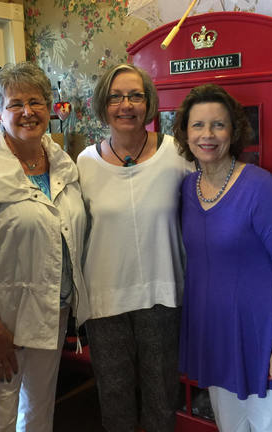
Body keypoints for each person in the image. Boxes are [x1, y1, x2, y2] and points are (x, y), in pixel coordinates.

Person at [0, 61, 90, 431]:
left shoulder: (61, 163)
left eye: (36, 101)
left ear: (49, 107)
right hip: (0, 323)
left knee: (39, 413)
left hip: (49, 312)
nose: (28, 111)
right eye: (16, 104)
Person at [172, 84, 272, 432]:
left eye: (218, 125)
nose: (207, 135)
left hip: (264, 335)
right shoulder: (187, 189)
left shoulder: (260, 186)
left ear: (233, 132)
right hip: (217, 337)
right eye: (198, 125)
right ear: (185, 134)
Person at [76, 63, 192, 432]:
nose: (126, 105)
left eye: (135, 96)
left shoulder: (177, 153)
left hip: (163, 294)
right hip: (105, 300)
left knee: (162, 399)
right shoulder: (84, 163)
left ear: (149, 103)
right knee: (115, 402)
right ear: (103, 104)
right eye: (116, 97)